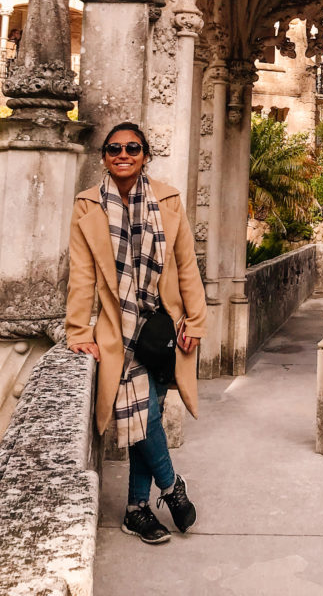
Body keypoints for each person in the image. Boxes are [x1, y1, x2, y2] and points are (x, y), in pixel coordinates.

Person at [66, 121, 207, 545]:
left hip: (163, 327)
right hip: (116, 328)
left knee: (147, 416)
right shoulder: (87, 205)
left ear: (145, 154)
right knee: (143, 415)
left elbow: (186, 266)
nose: (122, 154)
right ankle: (172, 488)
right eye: (113, 149)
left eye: (132, 147)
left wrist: (195, 322)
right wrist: (77, 329)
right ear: (104, 157)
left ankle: (136, 510)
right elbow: (82, 273)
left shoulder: (168, 199)